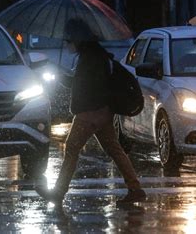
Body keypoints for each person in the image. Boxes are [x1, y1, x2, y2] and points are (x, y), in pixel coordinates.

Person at [35, 18, 146, 205]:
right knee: (115, 150)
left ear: (77, 38)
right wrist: (64, 77)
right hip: (102, 112)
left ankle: (58, 192)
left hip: (89, 113)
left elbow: (85, 86)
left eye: (69, 39)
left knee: (71, 149)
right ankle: (135, 188)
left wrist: (61, 76)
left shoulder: (90, 59)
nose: (67, 43)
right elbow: (84, 84)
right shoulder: (95, 55)